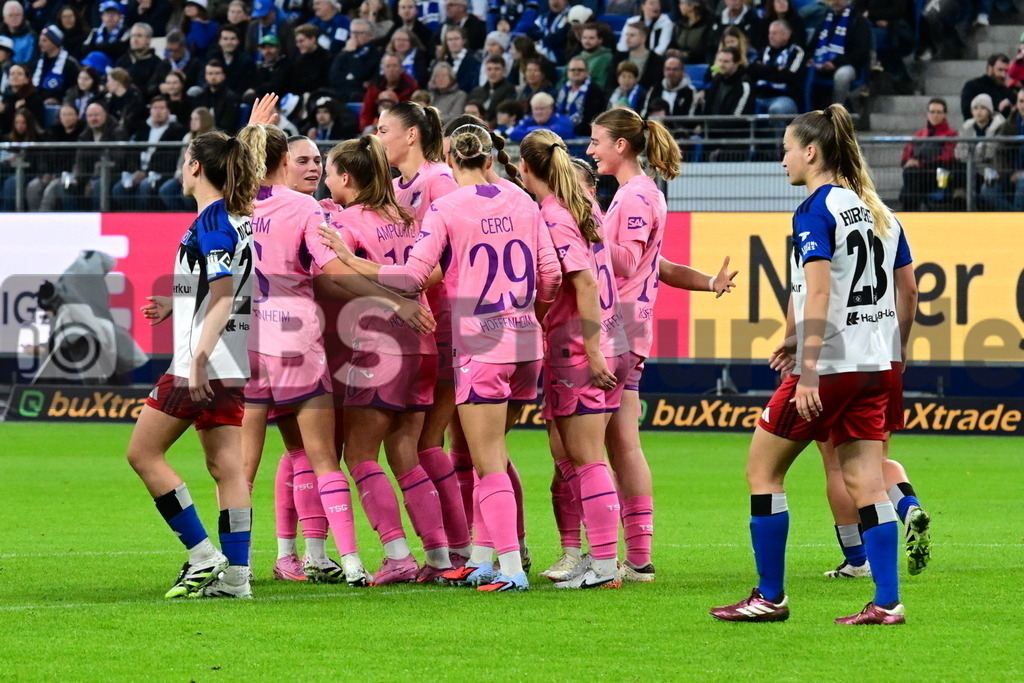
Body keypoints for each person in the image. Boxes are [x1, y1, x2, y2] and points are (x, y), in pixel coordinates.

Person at [320, 122, 561, 592]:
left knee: (483, 459)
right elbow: (550, 276)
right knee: (482, 452)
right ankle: (485, 559)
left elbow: (411, 278)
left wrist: (349, 259)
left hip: (480, 342)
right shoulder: (522, 200)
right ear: (490, 159)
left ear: (451, 161)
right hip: (526, 341)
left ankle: (510, 569)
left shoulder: (445, 207)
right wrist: (530, 315)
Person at [710, 104, 906, 626]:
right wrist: (796, 338)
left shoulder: (815, 209)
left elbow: (819, 289)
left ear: (811, 151)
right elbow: (893, 289)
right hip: (872, 361)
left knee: (762, 469)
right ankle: (888, 602)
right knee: (866, 479)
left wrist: (809, 369)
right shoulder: (873, 210)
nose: (782, 161)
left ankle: (770, 596)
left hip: (833, 366)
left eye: (786, 149)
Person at [237, 107, 435, 587]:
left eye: (318, 162)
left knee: (297, 454)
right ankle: (313, 554)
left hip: (292, 340)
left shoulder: (255, 207)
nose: (312, 169)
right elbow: (331, 275)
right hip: (313, 337)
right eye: (303, 160)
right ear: (282, 161)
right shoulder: (317, 213)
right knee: (311, 453)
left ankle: (292, 555)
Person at [127, 125, 261, 599]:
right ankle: (237, 580)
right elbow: (217, 287)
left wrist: (199, 357)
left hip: (198, 363)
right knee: (227, 467)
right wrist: (175, 304)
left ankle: (203, 554)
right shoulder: (239, 218)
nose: (182, 166)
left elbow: (223, 297)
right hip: (234, 362)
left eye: (186, 158)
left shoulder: (212, 222)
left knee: (142, 454)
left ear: (196, 167)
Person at [319, 134, 458, 585]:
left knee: (359, 454)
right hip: (423, 341)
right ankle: (437, 556)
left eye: (328, 172)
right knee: (405, 451)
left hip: (379, 344)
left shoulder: (347, 221)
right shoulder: (408, 216)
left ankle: (396, 554)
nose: (325, 180)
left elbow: (333, 277)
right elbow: (435, 267)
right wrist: (408, 296)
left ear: (344, 177)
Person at [518, 129, 631, 589]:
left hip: (580, 347)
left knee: (586, 459)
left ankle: (604, 567)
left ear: (527, 169)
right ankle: (589, 557)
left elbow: (584, 284)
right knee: (571, 457)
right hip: (610, 338)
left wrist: (589, 350)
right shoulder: (583, 209)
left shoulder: (554, 215)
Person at [373, 101, 471, 568]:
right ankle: (455, 549)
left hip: (448, 320)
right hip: (416, 325)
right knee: (425, 443)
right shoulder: (397, 187)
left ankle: (466, 547)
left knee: (436, 443)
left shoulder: (439, 180)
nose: (379, 136)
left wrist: (400, 287)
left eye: (384, 128)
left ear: (411, 135)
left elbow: (446, 259)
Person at [586, 107, 681, 582]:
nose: (590, 149)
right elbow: (651, 263)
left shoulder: (637, 196)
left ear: (620, 145)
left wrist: (585, 223)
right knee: (623, 442)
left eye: (596, 141)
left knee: (587, 447)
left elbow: (625, 261)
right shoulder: (638, 194)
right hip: (631, 329)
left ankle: (597, 554)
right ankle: (637, 557)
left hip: (614, 330)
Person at [112, 95, 186, 210]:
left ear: (168, 111)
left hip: (161, 173)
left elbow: (170, 158)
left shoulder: (177, 130)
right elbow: (132, 153)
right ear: (150, 110)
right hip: (138, 171)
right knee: (118, 188)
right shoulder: (143, 129)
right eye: (155, 108)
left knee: (145, 186)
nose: (158, 111)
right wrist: (136, 171)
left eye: (162, 108)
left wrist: (145, 173)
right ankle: (131, 217)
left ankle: (144, 218)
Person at [808, 0, 870, 109]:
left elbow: (860, 52)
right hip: (820, 64)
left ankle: (837, 113)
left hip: (847, 64)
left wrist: (835, 63)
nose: (836, 1)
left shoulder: (857, 20)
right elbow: (812, 46)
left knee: (842, 75)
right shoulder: (825, 20)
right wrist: (810, 59)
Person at [898, 97, 958, 211]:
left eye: (939, 112)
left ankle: (908, 214)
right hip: (916, 175)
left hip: (938, 176)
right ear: (927, 114)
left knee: (909, 183)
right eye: (932, 112)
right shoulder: (919, 134)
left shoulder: (950, 134)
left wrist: (920, 164)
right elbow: (906, 155)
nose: (935, 115)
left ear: (945, 114)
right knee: (911, 175)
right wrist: (909, 162)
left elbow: (947, 158)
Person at [955, 93, 1005, 209]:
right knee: (958, 171)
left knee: (965, 176)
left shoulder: (999, 127)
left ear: (989, 111)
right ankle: (960, 201)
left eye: (983, 108)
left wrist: (971, 152)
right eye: (975, 108)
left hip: (990, 170)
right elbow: (958, 153)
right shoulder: (966, 127)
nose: (979, 112)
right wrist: (978, 152)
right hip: (969, 168)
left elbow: (990, 154)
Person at [159, 106, 214, 211]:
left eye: (196, 119)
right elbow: (181, 159)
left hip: (201, 177)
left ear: (205, 120)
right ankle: (180, 215)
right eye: (192, 119)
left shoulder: (212, 139)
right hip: (184, 175)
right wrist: (180, 172)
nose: (193, 122)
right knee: (165, 190)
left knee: (185, 195)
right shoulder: (187, 137)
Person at [747, 20, 803, 118]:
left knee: (777, 109)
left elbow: (789, 76)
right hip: (759, 96)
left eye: (774, 33)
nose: (770, 36)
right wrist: (776, 69)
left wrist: (763, 70)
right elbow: (751, 70)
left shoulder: (796, 52)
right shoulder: (764, 51)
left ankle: (779, 134)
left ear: (786, 35)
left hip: (784, 97)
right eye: (769, 33)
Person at [328, 18, 381, 102]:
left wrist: (351, 54)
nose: (355, 36)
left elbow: (360, 73)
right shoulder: (345, 51)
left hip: (359, 94)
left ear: (369, 35)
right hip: (340, 92)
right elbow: (333, 77)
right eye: (353, 32)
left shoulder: (374, 52)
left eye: (360, 33)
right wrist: (346, 52)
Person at [360, 54, 416, 129]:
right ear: (383, 69)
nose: (391, 69)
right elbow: (366, 113)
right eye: (388, 66)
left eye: (394, 66)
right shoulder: (374, 87)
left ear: (401, 69)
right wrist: (368, 129)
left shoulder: (411, 86)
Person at [555, 57, 605, 138]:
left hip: (583, 136)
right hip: (561, 132)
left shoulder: (595, 91)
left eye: (580, 70)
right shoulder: (562, 90)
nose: (576, 72)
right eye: (573, 70)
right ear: (568, 72)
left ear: (587, 72)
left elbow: (594, 119)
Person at [991, 89, 1024, 210]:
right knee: (987, 189)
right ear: (1017, 104)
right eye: (1021, 101)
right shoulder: (1008, 125)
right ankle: (1015, 216)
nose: (1023, 105)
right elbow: (999, 153)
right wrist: (1007, 173)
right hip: (1009, 173)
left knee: (1023, 181)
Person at [188, 59, 240, 133]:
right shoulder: (200, 97)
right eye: (210, 73)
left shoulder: (231, 98)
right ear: (205, 76)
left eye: (217, 73)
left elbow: (228, 126)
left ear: (223, 76)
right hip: (200, 135)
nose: (213, 77)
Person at [31, 24, 80, 104]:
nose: (40, 44)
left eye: (44, 40)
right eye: (40, 40)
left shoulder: (70, 64)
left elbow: (75, 88)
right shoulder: (37, 63)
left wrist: (60, 100)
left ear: (55, 42)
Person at [960, 53, 1015, 122]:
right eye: (1000, 70)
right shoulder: (972, 86)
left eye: (1006, 71)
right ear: (990, 69)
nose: (1003, 75)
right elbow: (967, 112)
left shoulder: (1008, 92)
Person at [148, 30, 202, 97]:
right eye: (169, 50)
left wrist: (183, 83)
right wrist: (159, 87)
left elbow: (200, 88)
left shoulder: (195, 64)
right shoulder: (164, 64)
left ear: (183, 47)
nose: (172, 54)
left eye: (175, 50)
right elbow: (150, 88)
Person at [613, 21, 664, 91]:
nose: (627, 38)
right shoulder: (619, 57)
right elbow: (611, 83)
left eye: (632, 35)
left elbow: (655, 86)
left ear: (643, 38)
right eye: (627, 35)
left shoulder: (656, 60)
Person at [207, 24, 255, 95]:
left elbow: (244, 85)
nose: (229, 43)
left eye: (233, 39)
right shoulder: (211, 57)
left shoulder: (246, 61)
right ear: (219, 41)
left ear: (238, 41)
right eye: (225, 39)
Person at [287, 24, 333, 97]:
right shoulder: (297, 59)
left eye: (301, 41)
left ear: (312, 39)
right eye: (297, 42)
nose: (298, 45)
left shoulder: (327, 58)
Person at [116, 23, 161, 96]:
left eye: (139, 36)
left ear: (148, 40)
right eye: (133, 36)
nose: (135, 40)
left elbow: (152, 89)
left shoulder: (157, 63)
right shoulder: (122, 60)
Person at [508, 91, 573, 142]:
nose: (538, 112)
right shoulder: (529, 120)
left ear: (551, 109)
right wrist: (541, 132)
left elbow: (561, 132)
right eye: (536, 109)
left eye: (542, 109)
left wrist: (531, 130)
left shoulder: (562, 120)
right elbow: (514, 133)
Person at [469, 55, 515, 123]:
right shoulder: (477, 91)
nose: (492, 72)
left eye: (497, 69)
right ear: (485, 70)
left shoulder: (509, 89)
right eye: (489, 69)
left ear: (504, 70)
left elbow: (505, 113)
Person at [441, 26, 480, 94]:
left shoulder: (473, 60)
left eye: (456, 39)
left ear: (464, 40)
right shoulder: (443, 61)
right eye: (450, 39)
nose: (453, 42)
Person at [576, 22, 613, 91]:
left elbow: (600, 85)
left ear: (600, 40)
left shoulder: (606, 59)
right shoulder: (576, 58)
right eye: (584, 38)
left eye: (591, 38)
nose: (587, 41)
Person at [673, 0, 712, 66]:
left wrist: (685, 55)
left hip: (699, 62)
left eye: (682, 3)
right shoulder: (680, 24)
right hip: (679, 61)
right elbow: (673, 43)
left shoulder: (708, 24)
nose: (679, 6)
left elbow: (705, 48)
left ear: (692, 6)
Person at [2, 0, 37, 64]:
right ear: (5, 19)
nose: (14, 18)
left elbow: (29, 61)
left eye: (17, 15)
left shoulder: (31, 37)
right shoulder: (1, 36)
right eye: (11, 15)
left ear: (22, 17)